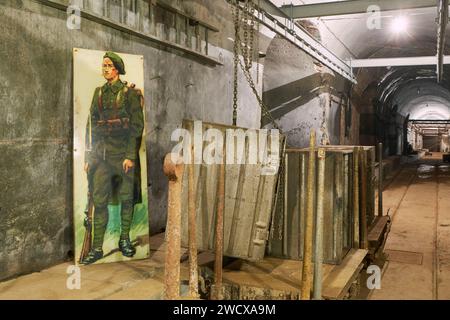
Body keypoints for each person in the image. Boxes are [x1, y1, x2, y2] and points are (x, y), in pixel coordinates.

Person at [81, 51, 144, 265]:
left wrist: (129, 156)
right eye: (104, 65)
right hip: (101, 157)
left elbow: (137, 127)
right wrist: (89, 156)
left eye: (109, 65)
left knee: (127, 198)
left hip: (123, 156)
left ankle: (124, 239)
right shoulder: (98, 93)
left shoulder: (129, 94)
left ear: (117, 69)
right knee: (99, 201)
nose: (105, 69)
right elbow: (91, 127)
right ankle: (97, 248)